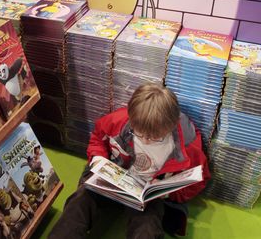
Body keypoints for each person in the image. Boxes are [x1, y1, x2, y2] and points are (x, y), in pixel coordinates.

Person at [49, 83, 210, 239]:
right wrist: (98, 159)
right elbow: (98, 138)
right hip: (115, 177)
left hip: (148, 196)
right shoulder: (119, 121)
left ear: (171, 127)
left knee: (147, 229)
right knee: (80, 203)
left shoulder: (186, 147)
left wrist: (168, 193)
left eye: (155, 137)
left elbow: (198, 179)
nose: (146, 141)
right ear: (131, 118)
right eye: (139, 133)